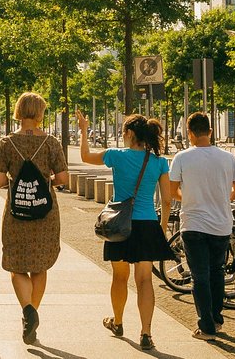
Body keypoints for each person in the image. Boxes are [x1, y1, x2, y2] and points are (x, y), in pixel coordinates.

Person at [75, 110, 173, 351]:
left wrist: (85, 130)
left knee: (120, 277)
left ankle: (117, 322)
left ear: (130, 134)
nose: (122, 136)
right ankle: (146, 333)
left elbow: (86, 156)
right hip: (148, 224)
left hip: (121, 224)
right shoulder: (159, 162)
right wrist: (160, 228)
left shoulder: (116, 156)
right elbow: (168, 200)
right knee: (145, 280)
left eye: (123, 132)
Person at [0, 92, 68, 344]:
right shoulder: (51, 143)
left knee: (16, 263)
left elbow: (0, 180)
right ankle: (32, 313)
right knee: (39, 264)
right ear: (40, 113)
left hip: (17, 211)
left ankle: (27, 310)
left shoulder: (5, 143)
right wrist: (44, 183)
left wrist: (19, 183)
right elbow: (63, 178)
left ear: (18, 110)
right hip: (45, 212)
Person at [169, 112, 235, 341]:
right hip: (221, 224)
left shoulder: (181, 158)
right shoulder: (227, 158)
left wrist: (192, 198)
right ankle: (217, 319)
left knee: (199, 276)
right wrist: (222, 198)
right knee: (217, 273)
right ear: (210, 132)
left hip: (193, 223)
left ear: (190, 134)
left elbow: (173, 192)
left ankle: (207, 327)